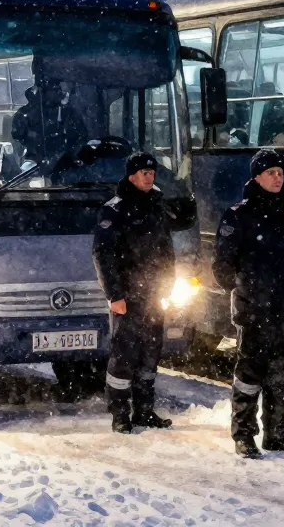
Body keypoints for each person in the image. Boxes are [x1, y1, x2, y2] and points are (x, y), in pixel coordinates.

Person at [212, 149, 284, 459]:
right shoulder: (238, 214)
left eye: (281, 173)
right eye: (271, 173)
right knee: (250, 372)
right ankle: (243, 434)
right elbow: (222, 264)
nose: (278, 178)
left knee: (281, 372)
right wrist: (246, 290)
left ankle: (277, 433)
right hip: (254, 310)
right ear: (256, 177)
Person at [93, 151, 175, 434]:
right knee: (124, 355)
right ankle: (119, 414)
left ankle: (144, 411)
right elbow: (103, 255)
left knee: (150, 353)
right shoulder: (114, 210)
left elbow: (167, 253)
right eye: (144, 173)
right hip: (128, 296)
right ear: (131, 176)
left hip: (154, 295)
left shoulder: (156, 207)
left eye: (152, 173)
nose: (149, 177)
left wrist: (168, 286)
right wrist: (115, 295)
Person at [12, 79, 88, 164]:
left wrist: (70, 154)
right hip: (33, 163)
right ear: (41, 91)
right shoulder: (24, 114)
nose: (59, 92)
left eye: (59, 89)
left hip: (63, 163)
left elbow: (81, 136)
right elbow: (17, 140)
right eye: (54, 89)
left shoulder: (67, 113)